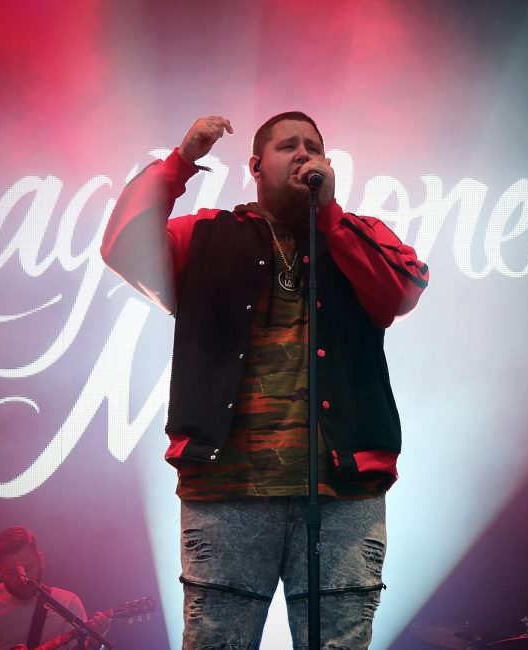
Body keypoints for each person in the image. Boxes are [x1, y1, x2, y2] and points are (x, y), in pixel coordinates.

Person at [101, 112, 429, 648]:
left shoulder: (355, 235)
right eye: (288, 146)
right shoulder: (206, 235)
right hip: (226, 491)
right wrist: (180, 163)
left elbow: (401, 291)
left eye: (313, 147)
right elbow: (123, 245)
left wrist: (330, 217)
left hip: (341, 496)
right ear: (255, 166)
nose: (304, 154)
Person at [0, 527, 110, 650]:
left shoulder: (67, 603)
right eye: (12, 572)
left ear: (41, 560)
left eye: (28, 568)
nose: (22, 578)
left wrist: (95, 644)